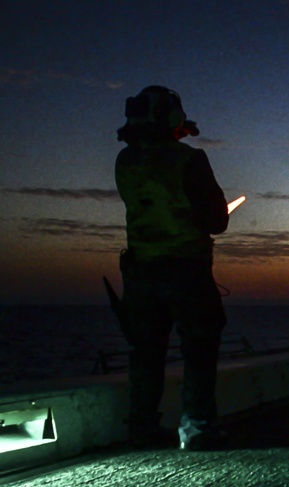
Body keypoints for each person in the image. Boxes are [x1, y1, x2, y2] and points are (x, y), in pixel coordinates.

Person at [114, 86, 229, 450]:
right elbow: (216, 220)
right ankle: (196, 430)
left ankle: (142, 429)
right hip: (185, 270)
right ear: (172, 118)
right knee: (198, 346)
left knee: (146, 352)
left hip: (140, 273)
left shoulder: (124, 161)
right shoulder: (189, 160)